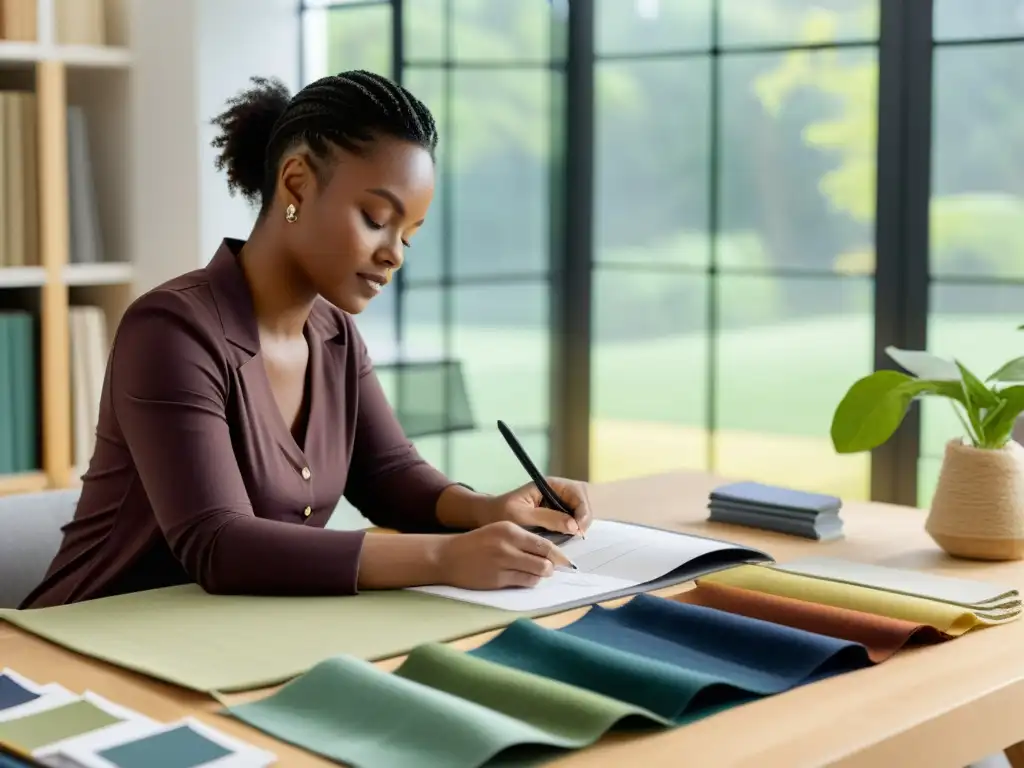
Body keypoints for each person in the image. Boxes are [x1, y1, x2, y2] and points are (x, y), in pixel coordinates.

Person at [21, 71, 593, 609]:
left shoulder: (335, 336)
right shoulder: (170, 330)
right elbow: (217, 543)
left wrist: (489, 510)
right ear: (296, 183)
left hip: (233, 638)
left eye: (409, 235)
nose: (394, 253)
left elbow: (390, 476)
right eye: (375, 218)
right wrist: (444, 556)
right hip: (89, 639)